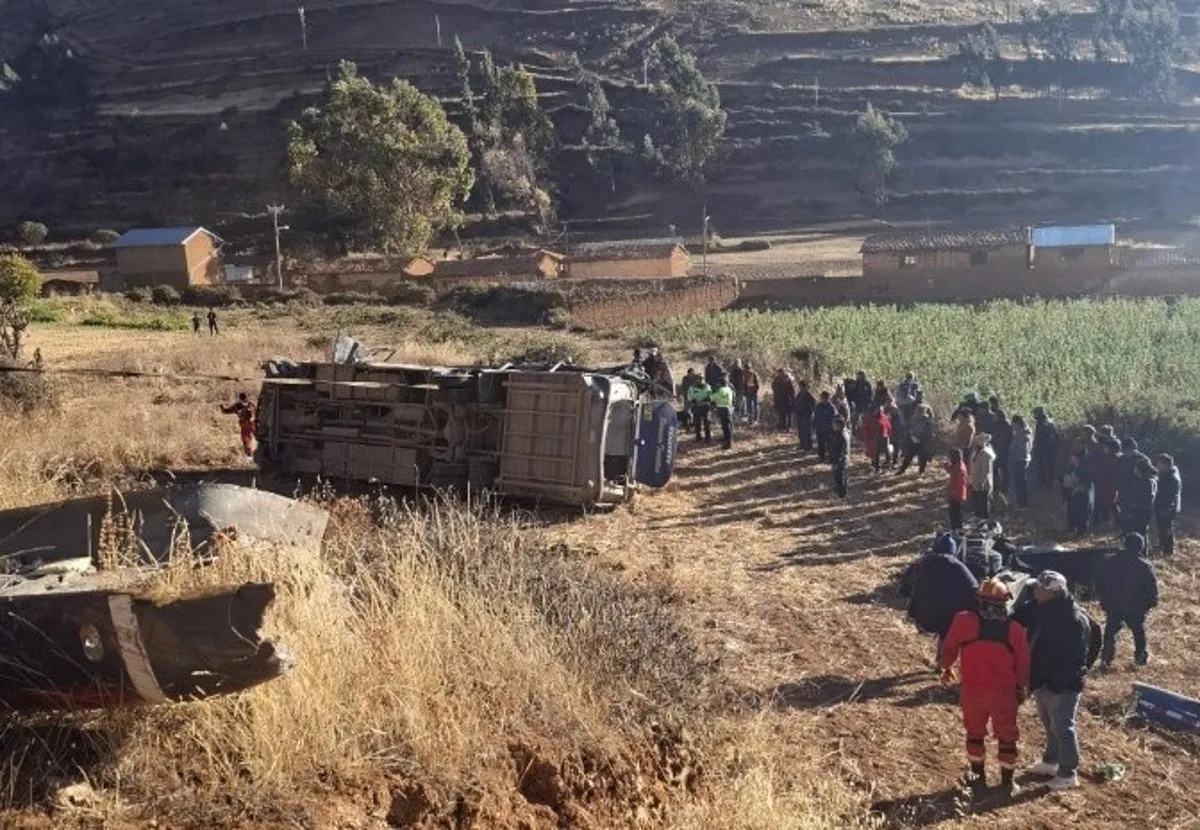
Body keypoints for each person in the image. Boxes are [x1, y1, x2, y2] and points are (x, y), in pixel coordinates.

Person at [941, 578, 1030, 796]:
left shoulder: (962, 621)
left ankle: (977, 779)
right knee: (1007, 736)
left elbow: (949, 647)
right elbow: (1024, 663)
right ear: (1004, 602)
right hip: (1004, 692)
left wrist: (945, 667)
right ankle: (1007, 784)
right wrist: (1021, 687)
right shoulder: (1015, 630)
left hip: (973, 691)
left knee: (974, 733)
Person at [1014, 571, 1102, 792]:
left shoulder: (1071, 619)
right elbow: (1018, 616)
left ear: (1052, 592)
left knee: (1064, 728)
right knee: (1050, 725)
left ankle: (1067, 773)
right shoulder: (1040, 607)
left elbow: (1077, 656)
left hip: (1062, 684)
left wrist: (1060, 682)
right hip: (1043, 679)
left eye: (1039, 588)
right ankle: (1051, 762)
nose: (1034, 591)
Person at [906, 532, 978, 662]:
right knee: (952, 622)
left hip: (923, 613)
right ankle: (943, 663)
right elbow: (973, 587)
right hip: (946, 620)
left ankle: (941, 658)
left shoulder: (924, 563)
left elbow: (906, 584)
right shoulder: (957, 567)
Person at [1098, 532, 1159, 668]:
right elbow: (1152, 589)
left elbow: (1100, 583)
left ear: (1125, 544)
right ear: (1141, 547)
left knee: (1110, 633)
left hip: (1114, 605)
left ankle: (1106, 659)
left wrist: (1104, 601)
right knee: (1139, 633)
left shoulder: (1110, 561)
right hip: (1136, 607)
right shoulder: (1144, 566)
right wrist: (1149, 604)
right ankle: (1140, 658)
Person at [1120, 455, 1157, 538]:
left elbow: (1148, 497)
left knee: (1140, 531)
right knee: (1139, 530)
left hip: (1141, 510)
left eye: (1135, 468)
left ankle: (1141, 549)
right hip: (1140, 509)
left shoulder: (1147, 481)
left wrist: (1134, 504)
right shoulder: (1141, 480)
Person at [1154, 454, 1181, 557]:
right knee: (1161, 527)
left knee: (1167, 528)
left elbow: (1170, 497)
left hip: (1167, 508)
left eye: (1159, 464)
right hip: (1161, 506)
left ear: (1166, 464)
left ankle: (1168, 550)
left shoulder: (1173, 479)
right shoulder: (1164, 474)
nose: (1157, 466)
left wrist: (1167, 510)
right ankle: (1162, 545)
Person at [1062, 450, 1094, 536]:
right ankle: (1071, 527)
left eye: (1072, 457)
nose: (1070, 459)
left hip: (1082, 495)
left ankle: (1081, 530)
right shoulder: (1070, 468)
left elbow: (1086, 484)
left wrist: (1077, 488)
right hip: (1071, 494)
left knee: (1081, 513)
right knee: (1071, 512)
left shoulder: (1084, 469)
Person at [898, 403, 934, 475]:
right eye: (917, 411)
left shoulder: (927, 421)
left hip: (923, 442)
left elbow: (929, 433)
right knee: (908, 456)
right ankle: (901, 470)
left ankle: (921, 472)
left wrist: (922, 440)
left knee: (923, 457)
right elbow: (909, 427)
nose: (918, 413)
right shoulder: (913, 418)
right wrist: (912, 435)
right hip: (913, 440)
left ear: (924, 412)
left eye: (920, 411)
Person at [1093, 439, 1121, 528]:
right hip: (1111, 485)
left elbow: (1101, 471)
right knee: (1113, 504)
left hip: (1105, 485)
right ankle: (1117, 522)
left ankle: (1099, 523)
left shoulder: (1107, 459)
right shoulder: (1118, 458)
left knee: (1103, 503)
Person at [1033, 407, 1062, 491]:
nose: (1034, 416)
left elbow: (1039, 438)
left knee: (1044, 467)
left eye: (1035, 414)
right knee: (1050, 466)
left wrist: (1036, 448)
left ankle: (1046, 484)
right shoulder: (1050, 421)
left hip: (1044, 448)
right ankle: (1049, 483)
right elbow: (1057, 435)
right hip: (1050, 448)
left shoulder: (1041, 423)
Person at [1008, 415, 1034, 509]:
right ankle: (1021, 503)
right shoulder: (1024, 432)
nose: (1011, 425)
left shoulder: (1022, 434)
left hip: (1020, 460)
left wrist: (1014, 453)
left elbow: (1022, 448)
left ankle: (1022, 504)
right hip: (1022, 459)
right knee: (1020, 482)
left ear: (1017, 423)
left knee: (1020, 483)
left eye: (1013, 423)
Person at [968, 433, 995, 520]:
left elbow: (986, 470)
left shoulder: (986, 454)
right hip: (975, 480)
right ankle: (978, 517)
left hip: (983, 482)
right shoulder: (976, 452)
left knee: (983, 501)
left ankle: (985, 519)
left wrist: (982, 482)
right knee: (976, 500)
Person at [221, 392, 257, 456]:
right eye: (244, 399)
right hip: (247, 424)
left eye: (245, 399)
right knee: (246, 439)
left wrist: (223, 408)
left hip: (251, 424)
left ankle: (254, 452)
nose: (245, 400)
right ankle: (249, 453)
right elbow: (227, 411)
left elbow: (227, 411)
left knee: (253, 437)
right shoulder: (239, 406)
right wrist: (222, 408)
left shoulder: (249, 405)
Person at [989, 398, 1011, 495]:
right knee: (1001, 471)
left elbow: (1003, 441)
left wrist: (997, 453)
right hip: (1000, 451)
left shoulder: (1003, 427)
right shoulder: (1000, 425)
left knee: (1001, 471)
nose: (993, 417)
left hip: (1001, 452)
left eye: (995, 416)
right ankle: (1000, 487)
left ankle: (1002, 488)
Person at [945, 448, 970, 530]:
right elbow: (950, 469)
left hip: (956, 496)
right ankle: (956, 529)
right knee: (954, 514)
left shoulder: (959, 468)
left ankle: (957, 530)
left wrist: (953, 494)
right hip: (956, 494)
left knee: (955, 515)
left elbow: (960, 484)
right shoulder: (958, 465)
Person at [864, 406, 892, 473]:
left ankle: (887, 463)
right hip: (875, 438)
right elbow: (867, 428)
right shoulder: (871, 419)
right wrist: (868, 437)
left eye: (880, 411)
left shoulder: (883, 417)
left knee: (886, 451)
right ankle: (877, 467)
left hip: (884, 437)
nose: (878, 412)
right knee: (876, 452)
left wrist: (889, 434)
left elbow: (888, 426)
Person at [829, 416, 850, 499]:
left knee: (840, 478)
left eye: (834, 425)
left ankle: (841, 495)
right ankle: (842, 493)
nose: (832, 426)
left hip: (840, 461)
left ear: (838, 426)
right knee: (841, 477)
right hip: (842, 460)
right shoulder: (842, 434)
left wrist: (836, 461)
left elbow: (841, 450)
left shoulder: (841, 436)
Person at [881, 393, 905, 466]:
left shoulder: (895, 409)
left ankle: (895, 461)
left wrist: (900, 430)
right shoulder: (885, 408)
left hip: (895, 429)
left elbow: (901, 421)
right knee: (886, 445)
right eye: (886, 401)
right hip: (887, 429)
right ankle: (888, 459)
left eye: (889, 401)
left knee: (895, 445)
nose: (888, 403)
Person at [813, 391, 837, 463]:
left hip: (829, 429)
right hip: (820, 428)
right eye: (823, 398)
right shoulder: (818, 406)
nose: (824, 400)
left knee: (830, 444)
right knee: (820, 444)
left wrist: (833, 429)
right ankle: (821, 457)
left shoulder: (832, 408)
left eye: (826, 398)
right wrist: (814, 426)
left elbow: (834, 419)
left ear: (828, 398)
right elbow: (815, 417)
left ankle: (831, 458)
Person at [687, 377, 712, 442]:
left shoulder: (707, 386)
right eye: (698, 379)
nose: (700, 381)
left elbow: (710, 396)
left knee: (707, 423)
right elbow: (689, 397)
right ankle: (698, 437)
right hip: (696, 406)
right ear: (696, 380)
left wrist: (706, 399)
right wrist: (693, 400)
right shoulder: (692, 388)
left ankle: (708, 438)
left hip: (705, 406)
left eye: (701, 379)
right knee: (697, 423)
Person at [711, 381, 735, 450]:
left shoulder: (722, 390)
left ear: (720, 384)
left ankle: (728, 443)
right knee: (729, 425)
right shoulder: (729, 389)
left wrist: (711, 395)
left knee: (726, 426)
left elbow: (714, 397)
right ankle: (729, 441)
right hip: (728, 407)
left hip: (723, 408)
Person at [794, 380, 816, 450]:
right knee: (801, 431)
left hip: (806, 415)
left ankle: (808, 446)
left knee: (807, 431)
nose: (800, 388)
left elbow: (814, 403)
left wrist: (811, 411)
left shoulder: (808, 395)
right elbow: (796, 402)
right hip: (799, 414)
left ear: (804, 387)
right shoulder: (799, 394)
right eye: (799, 386)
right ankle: (802, 444)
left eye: (801, 386)